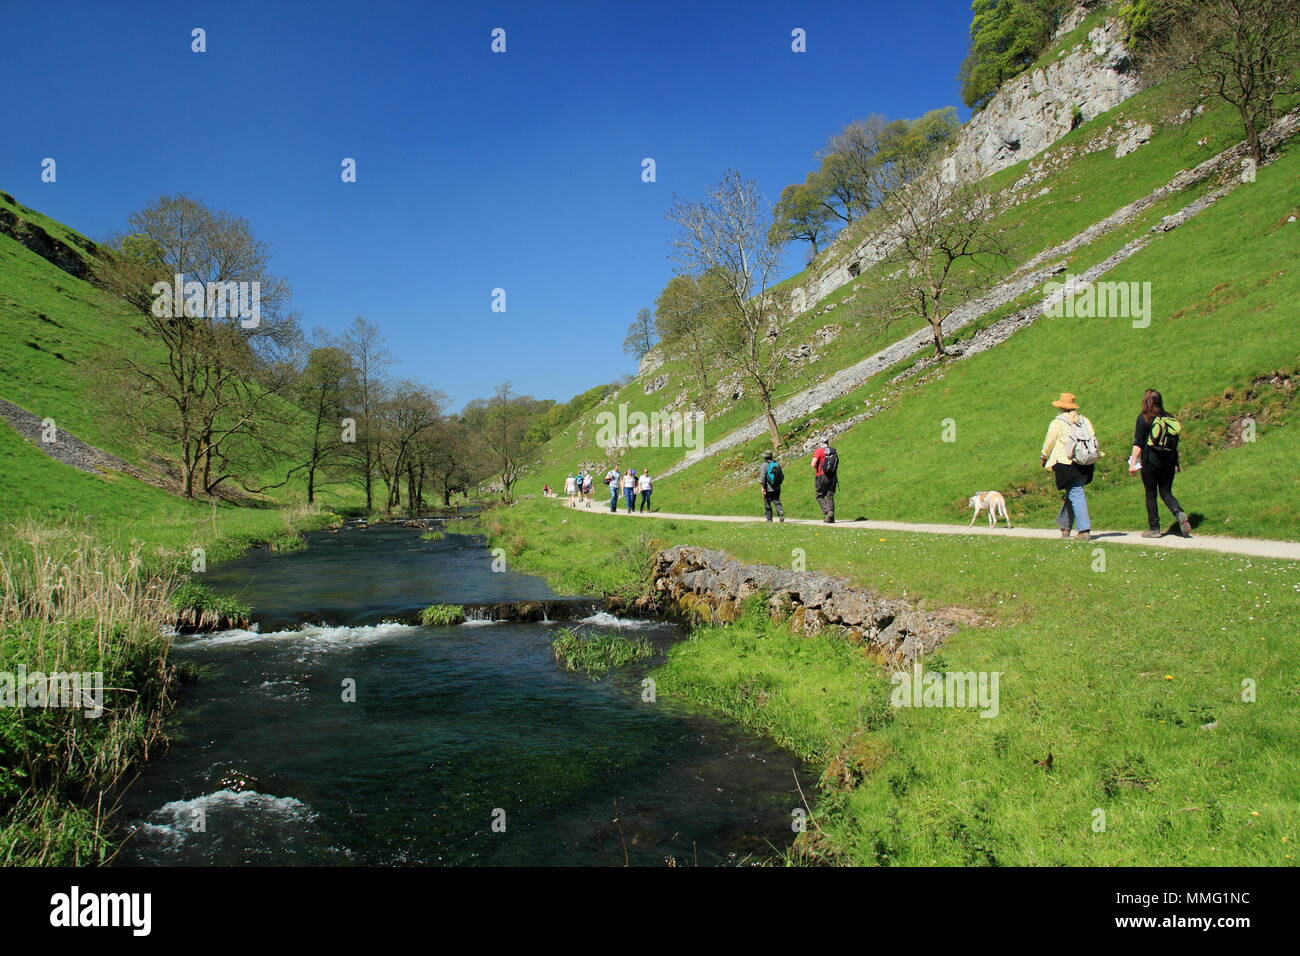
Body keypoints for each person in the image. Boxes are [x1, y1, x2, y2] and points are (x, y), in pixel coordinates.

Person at [1128, 388, 1192, 538]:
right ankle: (1179, 512)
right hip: (1168, 461)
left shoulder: (1143, 418)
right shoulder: (1169, 418)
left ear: (1145, 401)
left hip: (1150, 461)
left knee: (1151, 495)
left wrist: (1133, 464)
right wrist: (1176, 462)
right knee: (1166, 492)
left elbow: (1138, 443)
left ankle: (1154, 529)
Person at [1040, 392, 1101, 541]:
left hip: (1066, 462)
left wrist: (1044, 455)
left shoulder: (1058, 422)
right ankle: (1065, 527)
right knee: (1072, 493)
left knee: (1076, 493)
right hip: (1084, 462)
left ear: (1060, 407)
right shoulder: (1084, 420)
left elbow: (1050, 440)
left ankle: (1084, 529)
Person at [811, 439, 839, 523]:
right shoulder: (833, 451)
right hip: (833, 476)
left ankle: (827, 511)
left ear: (821, 443)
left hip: (821, 475)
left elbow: (813, 464)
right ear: (827, 443)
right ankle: (831, 518)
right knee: (830, 495)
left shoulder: (819, 451)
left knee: (819, 496)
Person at [759, 450, 785, 522]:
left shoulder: (764, 465)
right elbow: (782, 476)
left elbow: (763, 477)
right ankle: (780, 510)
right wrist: (778, 484)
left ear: (765, 457)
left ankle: (769, 519)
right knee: (776, 500)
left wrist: (763, 487)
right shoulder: (776, 464)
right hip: (777, 487)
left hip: (768, 488)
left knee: (767, 502)